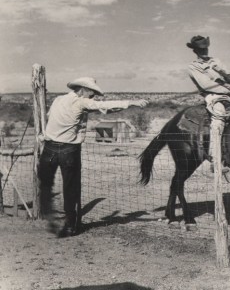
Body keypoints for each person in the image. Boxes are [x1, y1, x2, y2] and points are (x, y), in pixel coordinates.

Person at [38, 77, 148, 237]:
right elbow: (102, 106)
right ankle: (70, 225)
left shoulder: (58, 99)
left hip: (49, 148)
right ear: (83, 89)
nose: (94, 96)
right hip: (68, 150)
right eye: (92, 92)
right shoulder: (82, 102)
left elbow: (98, 108)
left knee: (46, 185)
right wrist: (132, 102)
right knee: (71, 188)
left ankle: (48, 217)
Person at [186, 35, 230, 170]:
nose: (204, 51)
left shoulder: (216, 61)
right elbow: (206, 85)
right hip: (213, 96)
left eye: (206, 48)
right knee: (219, 113)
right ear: (195, 50)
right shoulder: (193, 67)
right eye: (201, 49)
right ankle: (215, 159)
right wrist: (229, 89)